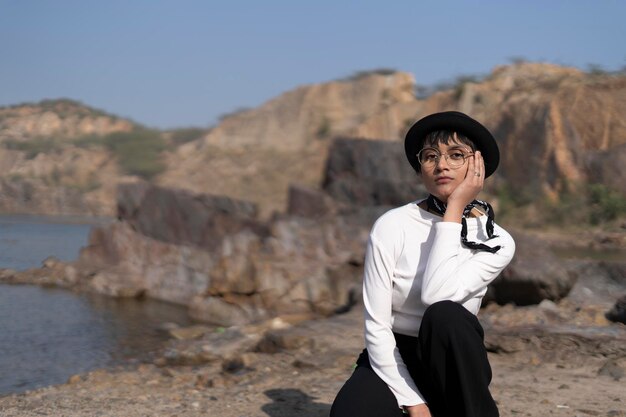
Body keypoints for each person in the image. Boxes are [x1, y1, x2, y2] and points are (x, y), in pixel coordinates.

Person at [329, 111, 516, 417]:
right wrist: (413, 402)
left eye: (456, 155)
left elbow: (436, 297)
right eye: (430, 157)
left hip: (452, 359)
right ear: (420, 170)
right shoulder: (392, 225)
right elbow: (377, 323)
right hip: (393, 353)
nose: (441, 165)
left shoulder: (496, 240)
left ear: (477, 165)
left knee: (445, 314)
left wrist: (454, 208)